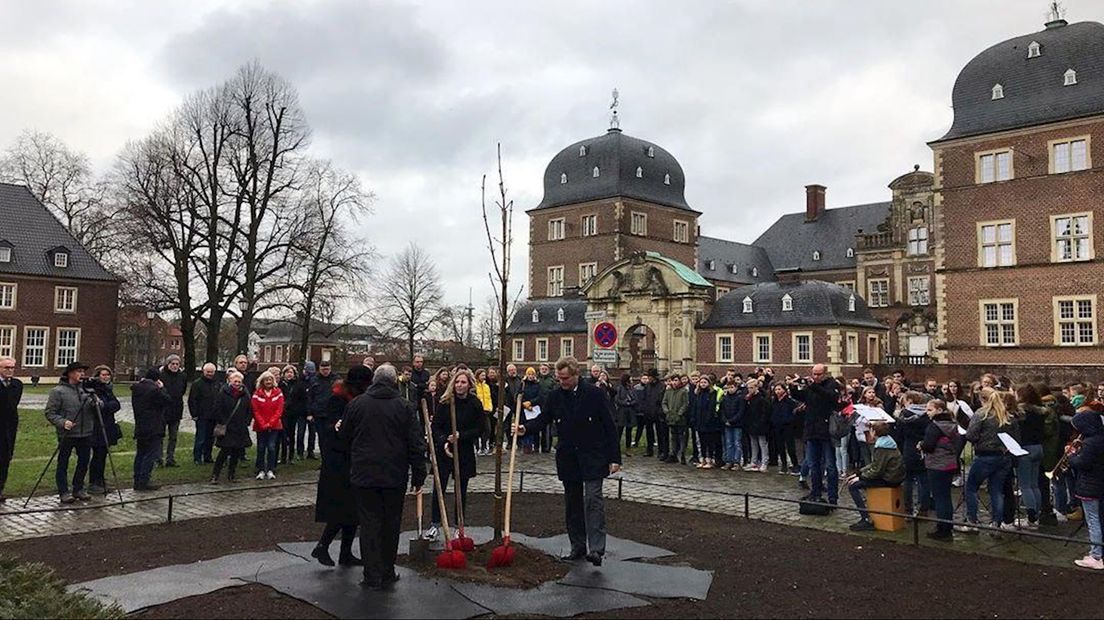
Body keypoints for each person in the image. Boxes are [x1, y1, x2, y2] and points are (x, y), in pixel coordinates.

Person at [515, 357, 621, 567]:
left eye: (565, 378)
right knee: (572, 503)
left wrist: (614, 458)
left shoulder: (595, 394)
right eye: (559, 378)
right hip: (568, 457)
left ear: (575, 375)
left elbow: (610, 425)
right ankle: (578, 545)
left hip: (593, 455)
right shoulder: (555, 396)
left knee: (593, 500)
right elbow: (544, 418)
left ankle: (597, 549)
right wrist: (525, 428)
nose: (561, 382)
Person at [340, 364, 426, 589]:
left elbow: (345, 438)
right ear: (394, 382)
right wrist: (419, 474)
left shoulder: (356, 405)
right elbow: (416, 444)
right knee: (391, 523)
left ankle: (371, 574)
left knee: (369, 524)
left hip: (364, 475)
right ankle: (387, 571)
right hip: (393, 475)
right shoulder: (404, 407)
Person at [312, 367, 372, 567]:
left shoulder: (357, 400)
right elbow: (332, 429)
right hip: (339, 461)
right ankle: (322, 546)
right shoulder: (337, 400)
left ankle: (345, 552)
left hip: (352, 459)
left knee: (353, 511)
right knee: (342, 509)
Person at [427, 368, 483, 539]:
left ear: (469, 385)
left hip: (464, 451)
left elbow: (480, 428)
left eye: (463, 382)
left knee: (461, 490)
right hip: (445, 450)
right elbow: (435, 427)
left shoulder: (474, 403)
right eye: (457, 382)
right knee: (439, 488)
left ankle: (459, 524)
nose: (459, 385)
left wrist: (461, 435)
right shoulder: (445, 403)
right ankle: (435, 524)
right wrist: (444, 439)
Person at [961, 389, 1016, 533]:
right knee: (996, 490)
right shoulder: (1006, 415)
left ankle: (972, 521)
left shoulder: (981, 414)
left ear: (981, 398)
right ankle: (996, 524)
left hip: (985, 456)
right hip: (1004, 457)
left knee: (971, 487)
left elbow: (970, 435)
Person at [45, 362, 98, 503]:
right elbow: (50, 413)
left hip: (86, 432)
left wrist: (95, 402)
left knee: (84, 461)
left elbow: (100, 406)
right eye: (78, 371)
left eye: (82, 371)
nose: (81, 374)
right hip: (67, 434)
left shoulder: (87, 390)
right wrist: (63, 422)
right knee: (63, 462)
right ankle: (63, 491)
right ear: (70, 373)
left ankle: (78, 488)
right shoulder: (58, 391)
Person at [791, 364, 842, 506]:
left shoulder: (831, 384)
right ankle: (816, 493)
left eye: (819, 374)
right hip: (812, 430)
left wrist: (813, 386)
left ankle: (832, 498)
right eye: (814, 374)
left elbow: (829, 397)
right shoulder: (812, 387)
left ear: (824, 374)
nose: (816, 377)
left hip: (826, 431)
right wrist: (793, 386)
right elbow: (800, 396)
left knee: (830, 466)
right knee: (814, 465)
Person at [847, 421, 905, 531]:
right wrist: (858, 472)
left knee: (853, 486)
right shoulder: (888, 442)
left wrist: (860, 477)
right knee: (859, 482)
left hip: (889, 479)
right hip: (893, 475)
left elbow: (877, 470)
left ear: (874, 432)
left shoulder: (882, 447)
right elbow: (875, 465)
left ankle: (866, 518)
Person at [1069, 404, 1104, 570]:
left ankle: (1096, 555)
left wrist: (1072, 456)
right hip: (1099, 484)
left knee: (1093, 520)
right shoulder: (1100, 438)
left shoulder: (1090, 443)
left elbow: (1083, 464)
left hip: (1090, 486)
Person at [921, 399, 960, 541]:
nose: (927, 412)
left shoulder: (934, 426)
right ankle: (947, 526)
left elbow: (929, 446)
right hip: (950, 463)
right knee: (946, 497)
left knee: (939, 498)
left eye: (930, 410)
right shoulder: (952, 424)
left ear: (939, 410)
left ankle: (943, 529)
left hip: (937, 465)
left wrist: (921, 445)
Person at [131, 368, 172, 491]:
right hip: (154, 426)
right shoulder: (154, 390)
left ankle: (137, 480)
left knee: (140, 453)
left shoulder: (137, 389)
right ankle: (144, 481)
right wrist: (162, 388)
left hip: (140, 425)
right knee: (150, 454)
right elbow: (167, 400)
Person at [210, 371, 253, 484]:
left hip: (240, 427)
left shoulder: (245, 394)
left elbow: (249, 409)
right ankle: (215, 475)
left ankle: (231, 475)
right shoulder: (223, 392)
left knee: (236, 452)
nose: (237, 383)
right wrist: (223, 421)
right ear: (230, 381)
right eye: (235, 381)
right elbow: (217, 408)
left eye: (239, 381)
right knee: (224, 452)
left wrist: (246, 421)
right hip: (227, 426)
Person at [895, 390, 933, 517]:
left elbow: (899, 436)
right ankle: (924, 509)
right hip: (923, 449)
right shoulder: (927, 415)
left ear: (910, 401)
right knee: (924, 480)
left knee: (908, 481)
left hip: (908, 449)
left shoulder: (903, 415)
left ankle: (908, 509)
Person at [1014, 384, 1047, 529]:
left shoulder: (1020, 413)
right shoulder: (1040, 412)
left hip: (1025, 448)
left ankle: (1032, 518)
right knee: (1034, 485)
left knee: (1025, 485)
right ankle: (1036, 515)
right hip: (1038, 447)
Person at [87, 365, 122, 496]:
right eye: (103, 374)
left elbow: (116, 404)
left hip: (107, 425)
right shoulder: (95, 390)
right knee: (97, 455)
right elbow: (98, 407)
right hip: (97, 426)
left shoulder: (108, 389)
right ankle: (94, 481)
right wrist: (107, 406)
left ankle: (100, 480)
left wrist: (107, 406)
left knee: (103, 455)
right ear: (98, 375)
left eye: (108, 374)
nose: (106, 377)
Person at [251, 372, 285, 480]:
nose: (268, 382)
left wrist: (271, 423)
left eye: (270, 380)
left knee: (271, 447)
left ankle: (271, 469)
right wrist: (262, 423)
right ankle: (260, 469)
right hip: (260, 426)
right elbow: (255, 410)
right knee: (261, 447)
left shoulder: (278, 393)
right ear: (262, 381)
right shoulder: (257, 394)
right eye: (266, 380)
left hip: (274, 425)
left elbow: (279, 409)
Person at [0, 356, 23, 503]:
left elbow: (12, 404)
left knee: (5, 459)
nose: (9, 370)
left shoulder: (17, 384)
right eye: (6, 368)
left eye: (12, 368)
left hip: (9, 427)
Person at [188, 363, 221, 465]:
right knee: (200, 438)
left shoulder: (217, 384)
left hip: (213, 416)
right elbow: (192, 400)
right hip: (202, 415)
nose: (210, 374)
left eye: (212, 372)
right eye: (208, 372)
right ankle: (197, 458)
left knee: (210, 438)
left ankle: (208, 456)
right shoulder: (197, 384)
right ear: (203, 371)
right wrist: (194, 414)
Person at [158, 355, 187, 468]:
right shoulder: (161, 376)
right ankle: (159, 458)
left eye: (177, 364)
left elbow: (183, 390)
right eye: (172, 364)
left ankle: (170, 458)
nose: (175, 366)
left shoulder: (182, 376)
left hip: (176, 409)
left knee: (173, 436)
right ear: (168, 364)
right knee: (160, 435)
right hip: (163, 409)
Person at [307, 361, 338, 453]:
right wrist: (309, 413)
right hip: (319, 413)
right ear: (319, 369)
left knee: (332, 437)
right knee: (322, 438)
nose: (325, 371)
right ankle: (324, 460)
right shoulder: (314, 380)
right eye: (323, 369)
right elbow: (309, 397)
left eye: (327, 369)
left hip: (332, 413)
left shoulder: (336, 379)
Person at [742, 379, 771, 472]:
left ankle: (764, 462)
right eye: (748, 388)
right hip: (751, 424)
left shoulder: (762, 398)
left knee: (762, 444)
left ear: (756, 387)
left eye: (751, 388)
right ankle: (754, 461)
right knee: (753, 444)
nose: (749, 390)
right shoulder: (749, 398)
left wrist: (760, 423)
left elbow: (765, 413)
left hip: (760, 425)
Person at [771, 383, 799, 475]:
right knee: (780, 446)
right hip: (777, 426)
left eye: (779, 389)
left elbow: (794, 411)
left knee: (790, 447)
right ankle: (784, 465)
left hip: (788, 426)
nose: (777, 391)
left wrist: (789, 420)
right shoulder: (774, 401)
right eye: (776, 390)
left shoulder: (789, 401)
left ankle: (795, 465)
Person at [662, 374, 690, 464]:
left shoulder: (683, 391)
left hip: (680, 418)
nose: (674, 382)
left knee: (681, 437)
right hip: (671, 417)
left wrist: (680, 413)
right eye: (673, 381)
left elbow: (685, 404)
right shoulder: (668, 392)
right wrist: (667, 411)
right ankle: (673, 453)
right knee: (673, 436)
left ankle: (682, 454)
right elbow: (664, 402)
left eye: (676, 380)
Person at [720, 380, 745, 471]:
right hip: (727, 424)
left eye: (732, 387)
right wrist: (725, 420)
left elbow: (741, 412)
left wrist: (732, 420)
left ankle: (736, 461)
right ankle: (728, 461)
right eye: (728, 387)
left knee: (737, 443)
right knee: (728, 443)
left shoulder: (740, 398)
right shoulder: (725, 398)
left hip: (737, 424)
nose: (730, 389)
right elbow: (722, 410)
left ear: (736, 387)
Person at [613, 373, 637, 456]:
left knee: (629, 431)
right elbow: (617, 399)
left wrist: (630, 403)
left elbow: (635, 399)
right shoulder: (619, 388)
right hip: (622, 412)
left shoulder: (632, 389)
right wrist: (625, 403)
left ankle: (628, 448)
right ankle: (616, 449)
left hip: (630, 413)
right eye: (630, 380)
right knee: (619, 431)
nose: (631, 381)